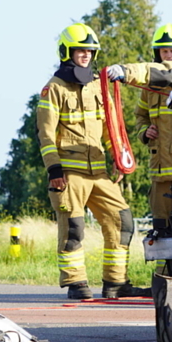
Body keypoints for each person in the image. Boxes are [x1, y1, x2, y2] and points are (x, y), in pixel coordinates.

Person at [36, 23, 150, 300]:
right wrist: (54, 169)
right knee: (73, 228)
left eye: (89, 51)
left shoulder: (99, 85)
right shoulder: (54, 88)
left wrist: (119, 157)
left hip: (99, 172)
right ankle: (76, 284)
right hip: (69, 173)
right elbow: (45, 133)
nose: (86, 55)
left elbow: (111, 126)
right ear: (67, 53)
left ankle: (116, 283)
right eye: (80, 50)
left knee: (122, 221)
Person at [134, 24, 172, 234]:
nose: (169, 56)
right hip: (161, 171)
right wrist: (144, 132)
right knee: (161, 228)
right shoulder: (149, 87)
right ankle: (162, 259)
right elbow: (140, 116)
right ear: (157, 54)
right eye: (165, 52)